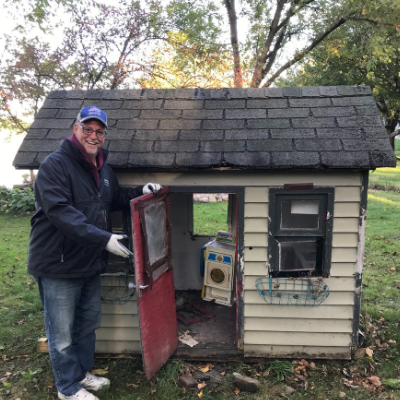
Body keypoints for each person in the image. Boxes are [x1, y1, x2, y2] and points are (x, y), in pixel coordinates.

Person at [28, 106, 161, 400]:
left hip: (89, 262)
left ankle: (81, 374)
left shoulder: (104, 170)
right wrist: (103, 239)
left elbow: (112, 200)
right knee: (61, 334)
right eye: (87, 129)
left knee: (87, 325)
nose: (93, 135)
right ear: (75, 129)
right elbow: (61, 213)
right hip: (57, 263)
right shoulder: (56, 165)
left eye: (99, 131)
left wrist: (142, 190)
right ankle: (67, 388)